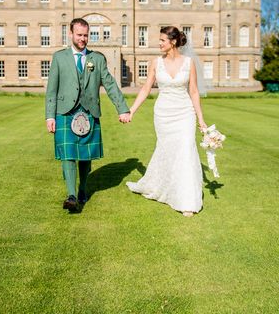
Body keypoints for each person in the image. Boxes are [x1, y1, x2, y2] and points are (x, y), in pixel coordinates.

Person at [46, 18, 130, 212]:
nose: (83, 39)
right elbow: (52, 90)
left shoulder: (97, 59)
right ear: (71, 34)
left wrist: (122, 108)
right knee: (68, 155)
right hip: (64, 112)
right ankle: (71, 195)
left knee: (84, 156)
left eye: (86, 35)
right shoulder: (59, 57)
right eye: (79, 35)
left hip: (89, 111)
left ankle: (82, 190)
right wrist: (50, 116)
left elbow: (110, 84)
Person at [126, 26, 207, 217]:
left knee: (186, 150)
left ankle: (187, 200)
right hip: (163, 114)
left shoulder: (189, 62)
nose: (159, 43)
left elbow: (193, 91)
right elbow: (146, 88)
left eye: (162, 40)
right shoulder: (156, 62)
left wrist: (201, 120)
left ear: (173, 42)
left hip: (184, 113)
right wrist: (131, 111)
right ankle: (165, 187)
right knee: (168, 151)